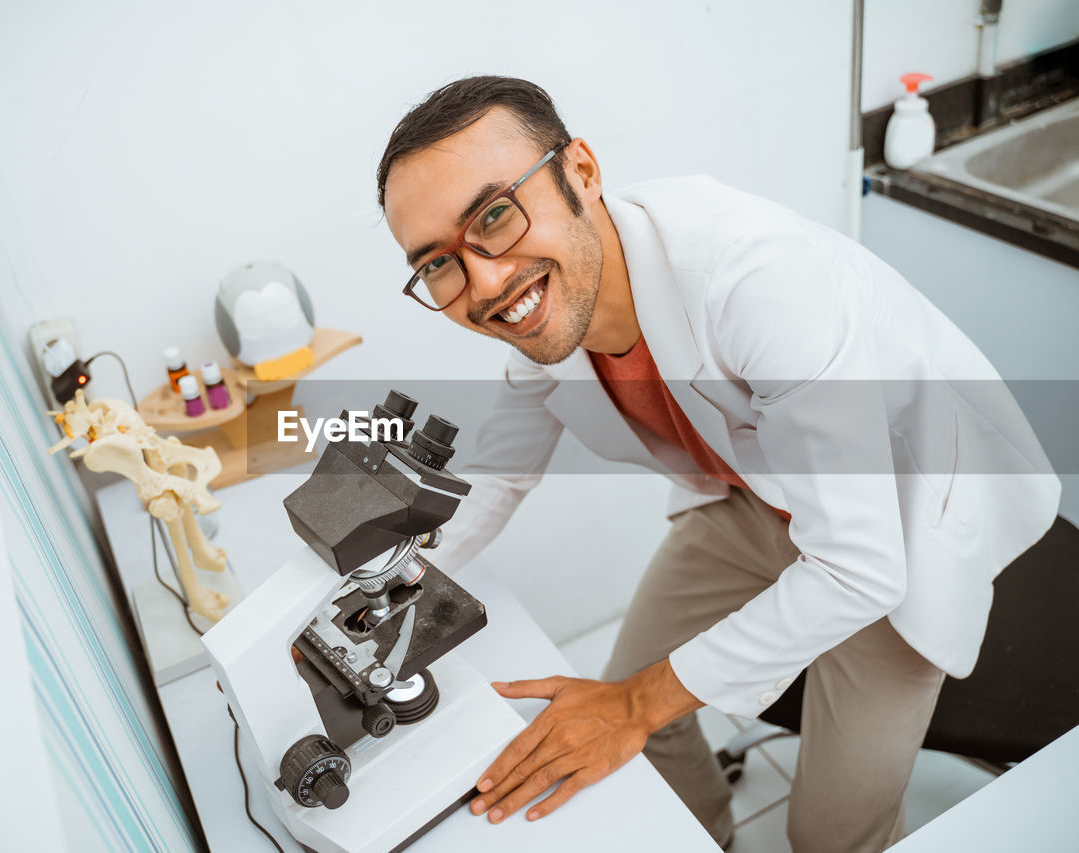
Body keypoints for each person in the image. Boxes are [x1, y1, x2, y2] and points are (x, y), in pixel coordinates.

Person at [376, 76, 1060, 852]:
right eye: (437, 263)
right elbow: (498, 474)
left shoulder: (757, 280)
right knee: (628, 702)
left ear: (583, 173)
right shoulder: (546, 318)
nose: (484, 282)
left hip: (898, 521)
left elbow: (860, 565)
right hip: (754, 499)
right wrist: (378, 587)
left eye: (495, 215)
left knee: (829, 834)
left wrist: (635, 705)